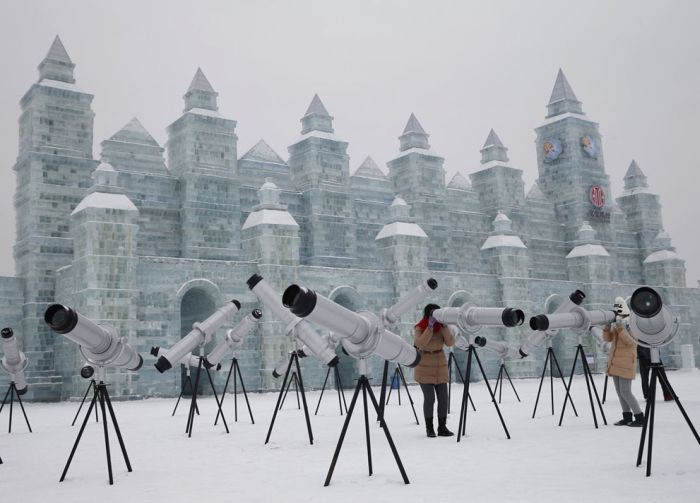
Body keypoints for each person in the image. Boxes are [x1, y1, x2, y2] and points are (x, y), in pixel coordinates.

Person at [414, 303, 455, 437]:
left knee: (443, 398)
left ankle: (442, 427)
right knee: (430, 398)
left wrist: (444, 327)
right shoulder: (420, 327)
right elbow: (419, 344)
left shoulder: (442, 327)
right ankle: (429, 428)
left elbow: (450, 343)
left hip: (440, 365)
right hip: (424, 366)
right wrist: (429, 328)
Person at [603, 297, 644, 427]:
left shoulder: (631, 323)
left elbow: (631, 343)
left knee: (626, 391)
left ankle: (640, 417)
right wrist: (607, 326)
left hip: (626, 362)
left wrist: (620, 328)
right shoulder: (618, 324)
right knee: (619, 392)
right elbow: (607, 338)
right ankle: (627, 417)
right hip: (615, 362)